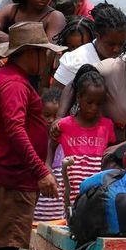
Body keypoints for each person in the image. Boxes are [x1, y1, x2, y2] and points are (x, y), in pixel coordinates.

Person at [0, 22, 65, 250]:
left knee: (6, 246)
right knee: (4, 248)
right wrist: (41, 170)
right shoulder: (15, 85)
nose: (46, 60)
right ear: (30, 54)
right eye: (43, 54)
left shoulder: (8, 79)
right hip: (12, 176)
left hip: (11, 174)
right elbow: (16, 130)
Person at [51, 64, 117, 199]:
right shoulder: (64, 125)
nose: (94, 108)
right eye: (89, 102)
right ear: (79, 98)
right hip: (70, 188)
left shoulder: (107, 126)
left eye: (98, 104)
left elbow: (110, 156)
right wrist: (47, 168)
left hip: (98, 191)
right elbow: (50, 147)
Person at [51, 2, 126, 89]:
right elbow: (54, 97)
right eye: (111, 44)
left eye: (121, 43)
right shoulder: (75, 61)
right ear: (98, 36)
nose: (117, 49)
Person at [34, 89, 67, 223]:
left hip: (60, 217)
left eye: (55, 116)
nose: (51, 121)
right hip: (36, 215)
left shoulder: (67, 142)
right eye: (46, 115)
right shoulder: (35, 140)